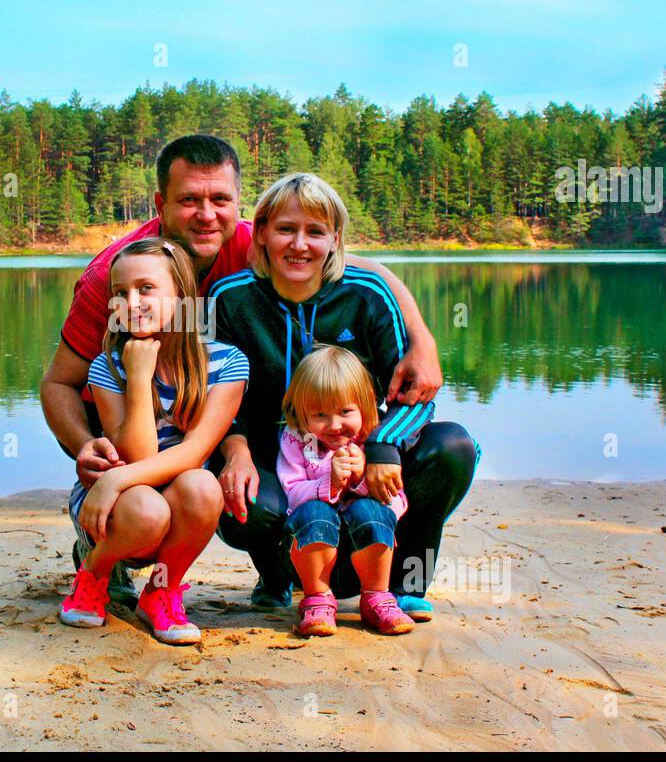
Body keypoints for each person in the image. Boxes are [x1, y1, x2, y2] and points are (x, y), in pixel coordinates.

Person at [40, 133, 460, 606]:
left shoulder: (250, 241)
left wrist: (421, 339)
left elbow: (360, 266)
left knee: (448, 447)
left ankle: (327, 576)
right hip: (127, 410)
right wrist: (86, 451)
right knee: (154, 441)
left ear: (239, 208)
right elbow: (58, 383)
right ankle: (109, 549)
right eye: (188, 200)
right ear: (161, 203)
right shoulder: (116, 275)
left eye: (220, 199)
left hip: (203, 414)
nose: (206, 214)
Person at [209, 172, 479, 615]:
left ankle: (406, 580)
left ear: (335, 239)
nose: (300, 245)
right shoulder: (230, 299)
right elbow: (214, 395)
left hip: (360, 445)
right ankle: (279, 577)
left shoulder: (366, 294)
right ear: (260, 233)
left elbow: (414, 394)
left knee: (452, 446)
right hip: (276, 457)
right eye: (286, 229)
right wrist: (235, 453)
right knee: (252, 503)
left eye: (315, 232)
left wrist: (382, 446)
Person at [59, 237, 248, 644]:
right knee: (147, 508)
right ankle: (94, 571)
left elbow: (195, 452)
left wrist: (113, 480)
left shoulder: (228, 362)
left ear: (181, 295)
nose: (132, 301)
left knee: (202, 484)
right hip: (118, 508)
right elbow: (136, 455)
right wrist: (140, 376)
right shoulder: (108, 366)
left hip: (150, 492)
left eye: (146, 288)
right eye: (120, 293)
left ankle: (161, 592)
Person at [276, 345, 415, 637]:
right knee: (312, 511)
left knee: (371, 511)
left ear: (364, 406)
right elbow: (291, 493)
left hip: (365, 554)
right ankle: (317, 598)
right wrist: (329, 482)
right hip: (315, 551)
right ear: (302, 414)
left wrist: (362, 478)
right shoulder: (296, 440)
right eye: (320, 414)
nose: (334, 425)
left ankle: (377, 595)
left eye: (345, 411)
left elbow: (397, 503)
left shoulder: (374, 441)